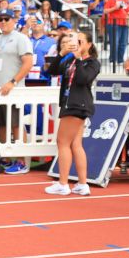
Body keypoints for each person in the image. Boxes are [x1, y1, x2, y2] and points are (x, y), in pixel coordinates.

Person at [44, 29, 100, 196]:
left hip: (78, 105)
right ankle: (82, 184)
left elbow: (84, 79)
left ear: (89, 44)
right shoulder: (72, 61)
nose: (76, 45)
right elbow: (52, 70)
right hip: (71, 104)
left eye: (80, 42)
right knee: (75, 144)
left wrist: (78, 57)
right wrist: (62, 53)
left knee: (62, 142)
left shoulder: (92, 62)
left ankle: (63, 183)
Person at [0, 8, 34, 174]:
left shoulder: (21, 39)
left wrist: (13, 82)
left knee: (16, 124)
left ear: (14, 21)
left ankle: (22, 160)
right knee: (1, 125)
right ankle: (6, 157)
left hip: (13, 89)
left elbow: (28, 63)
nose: (3, 21)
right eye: (0, 19)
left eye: (7, 19)